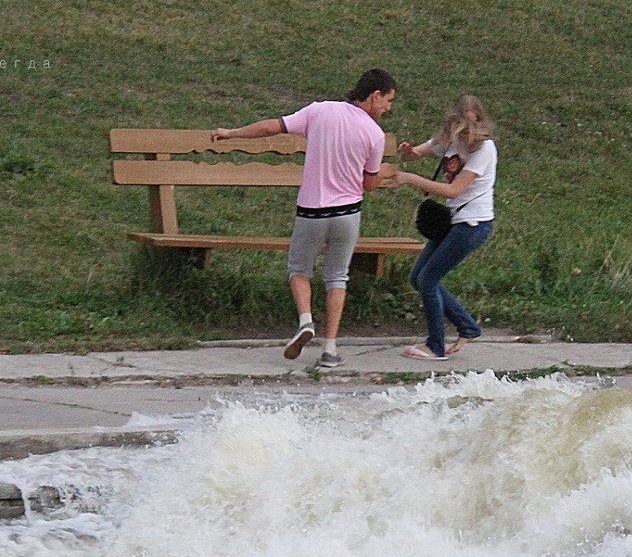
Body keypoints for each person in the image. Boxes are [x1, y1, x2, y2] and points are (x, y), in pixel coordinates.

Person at [212, 69, 397, 368]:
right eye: (388, 100)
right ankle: (331, 349)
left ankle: (306, 321)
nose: (388, 108)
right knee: (337, 277)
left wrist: (232, 133)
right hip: (347, 214)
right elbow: (370, 183)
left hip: (312, 211)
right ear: (374, 96)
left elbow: (273, 127)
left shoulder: (319, 111)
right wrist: (389, 170)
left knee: (299, 268)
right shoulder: (375, 134)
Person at [390, 95, 496, 361]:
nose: (466, 137)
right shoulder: (451, 138)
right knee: (418, 277)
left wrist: (411, 179)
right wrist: (409, 152)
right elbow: (421, 151)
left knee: (428, 279)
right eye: (461, 130)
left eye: (471, 130)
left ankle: (435, 346)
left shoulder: (484, 150)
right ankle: (468, 326)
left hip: (473, 223)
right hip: (454, 220)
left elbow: (454, 189)